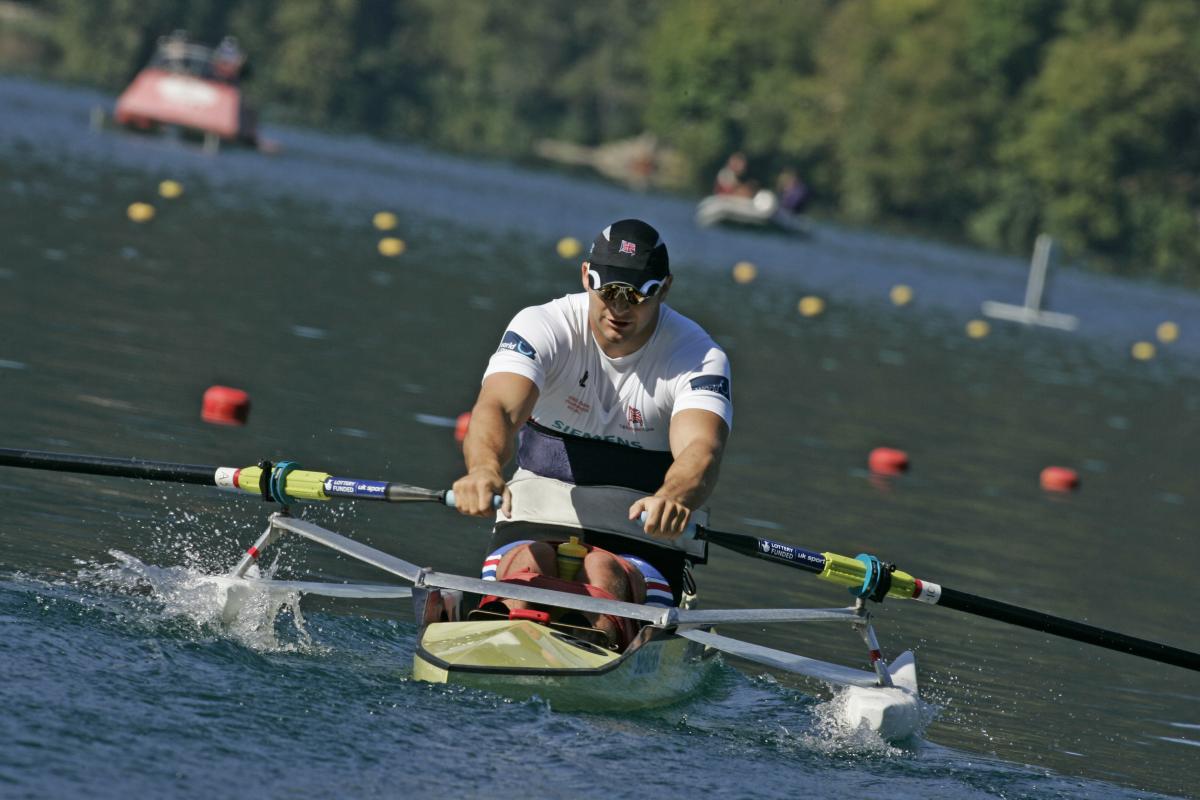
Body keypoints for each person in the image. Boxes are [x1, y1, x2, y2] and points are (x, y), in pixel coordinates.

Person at [452, 218, 732, 647]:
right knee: (531, 563)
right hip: (532, 520)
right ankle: (513, 630)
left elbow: (700, 450)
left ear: (665, 288)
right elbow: (498, 410)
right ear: (586, 276)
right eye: (609, 291)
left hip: (643, 538)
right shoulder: (542, 326)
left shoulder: (698, 356)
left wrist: (675, 497)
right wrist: (483, 469)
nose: (620, 307)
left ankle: (594, 644)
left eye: (638, 294)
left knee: (604, 572)